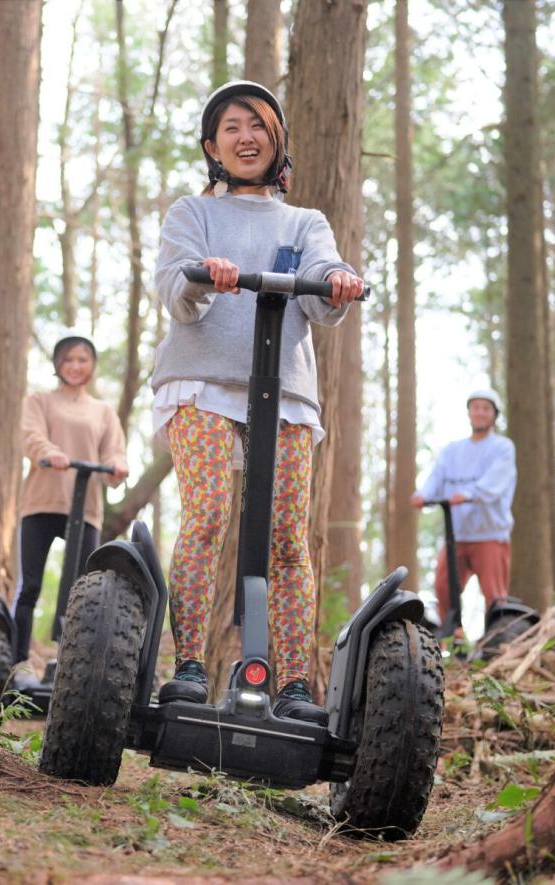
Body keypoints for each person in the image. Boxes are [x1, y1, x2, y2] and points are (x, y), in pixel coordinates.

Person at [151, 80, 364, 726]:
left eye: (258, 127)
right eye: (232, 128)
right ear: (212, 147)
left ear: (277, 143)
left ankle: (293, 681)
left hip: (285, 390)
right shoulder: (192, 213)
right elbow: (176, 290)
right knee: (209, 513)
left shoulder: (305, 222)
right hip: (202, 381)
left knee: (288, 538)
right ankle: (190, 666)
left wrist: (336, 281)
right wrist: (205, 277)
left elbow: (322, 284)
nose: (246, 138)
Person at [15, 333, 129, 677]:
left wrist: (117, 465)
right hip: (42, 503)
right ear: (57, 364)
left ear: (92, 365)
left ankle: (71, 666)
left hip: (86, 509)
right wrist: (50, 453)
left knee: (85, 589)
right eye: (68, 359)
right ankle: (18, 663)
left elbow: (114, 451)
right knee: (30, 585)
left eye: (82, 359)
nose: (75, 366)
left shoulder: (103, 411)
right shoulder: (40, 400)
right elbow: (30, 436)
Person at [410, 389, 517, 628]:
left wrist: (469, 494)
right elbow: (436, 478)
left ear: (494, 414)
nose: (480, 412)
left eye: (485, 408)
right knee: (444, 587)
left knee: (495, 596)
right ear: (469, 412)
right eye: (475, 407)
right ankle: (452, 637)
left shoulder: (502, 448)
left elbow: (494, 482)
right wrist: (423, 495)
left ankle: (496, 639)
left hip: (489, 534)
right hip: (456, 535)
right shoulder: (452, 450)